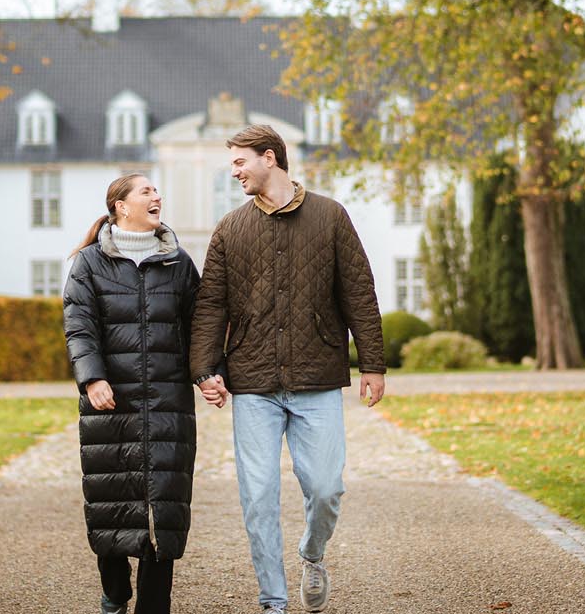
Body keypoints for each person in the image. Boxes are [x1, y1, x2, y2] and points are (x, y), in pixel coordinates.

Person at [189, 125, 386, 614]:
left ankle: (312, 555)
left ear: (270, 158)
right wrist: (204, 368)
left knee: (325, 488)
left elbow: (358, 291)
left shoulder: (330, 216)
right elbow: (211, 304)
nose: (233, 172)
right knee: (258, 497)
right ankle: (273, 601)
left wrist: (373, 363)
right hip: (253, 381)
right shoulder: (229, 229)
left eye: (240, 162)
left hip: (317, 375)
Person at [63, 173, 227, 614]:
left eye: (157, 191)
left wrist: (209, 373)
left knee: (164, 513)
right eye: (146, 191)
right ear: (120, 205)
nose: (158, 197)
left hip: (168, 404)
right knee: (111, 504)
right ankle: (115, 592)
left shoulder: (178, 263)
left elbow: (200, 326)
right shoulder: (89, 264)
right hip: (110, 403)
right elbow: (79, 326)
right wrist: (92, 378)